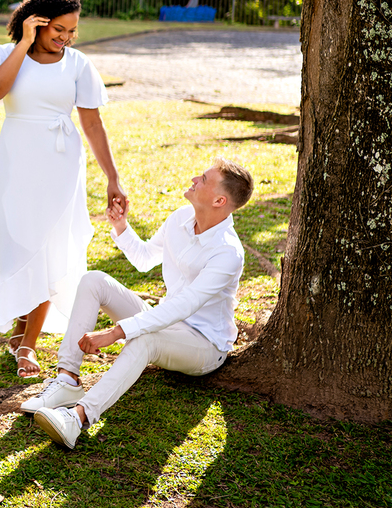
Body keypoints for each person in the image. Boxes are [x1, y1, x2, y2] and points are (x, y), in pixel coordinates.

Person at [25, 159, 254, 449]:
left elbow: (184, 305)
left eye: (205, 179)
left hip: (204, 346)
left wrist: (117, 332)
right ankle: (68, 380)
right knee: (94, 280)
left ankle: (78, 419)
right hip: (167, 324)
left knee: (145, 338)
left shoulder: (228, 253)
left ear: (220, 200)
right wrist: (121, 226)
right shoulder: (181, 217)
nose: (195, 178)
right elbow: (145, 258)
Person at [0, 0, 128, 379]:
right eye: (58, 29)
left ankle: (28, 345)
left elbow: (93, 124)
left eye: (72, 30)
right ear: (38, 22)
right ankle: (18, 332)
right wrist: (24, 42)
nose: (65, 37)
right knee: (21, 244)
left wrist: (112, 177)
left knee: (49, 249)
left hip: (61, 166)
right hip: (18, 163)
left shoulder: (78, 65)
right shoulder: (6, 56)